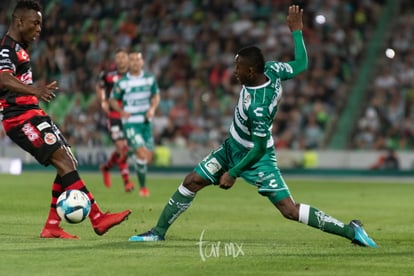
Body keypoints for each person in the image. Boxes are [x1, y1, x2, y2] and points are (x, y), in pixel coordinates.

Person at [128, 5, 377, 248]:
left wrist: (233, 173)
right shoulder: (272, 70)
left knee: (289, 210)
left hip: (256, 158)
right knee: (192, 180)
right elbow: (301, 63)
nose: (234, 72)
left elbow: (257, 150)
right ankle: (157, 233)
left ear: (249, 70)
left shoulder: (258, 106)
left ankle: (350, 230)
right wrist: (297, 32)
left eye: (237, 67)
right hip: (232, 148)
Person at [0, 0, 131, 239]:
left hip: (33, 114)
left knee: (68, 160)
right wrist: (34, 91)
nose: (39, 28)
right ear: (19, 22)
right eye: (35, 23)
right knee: (63, 161)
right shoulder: (6, 48)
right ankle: (98, 218)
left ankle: (52, 225)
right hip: (19, 118)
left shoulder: (20, 47)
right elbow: (3, 79)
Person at [109, 51, 160, 197]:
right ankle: (143, 188)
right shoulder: (123, 82)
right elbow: (112, 100)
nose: (135, 62)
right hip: (130, 123)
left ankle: (128, 152)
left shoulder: (150, 79)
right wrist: (121, 111)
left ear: (142, 62)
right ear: (128, 63)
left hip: (146, 122)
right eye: (132, 60)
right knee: (142, 154)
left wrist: (152, 108)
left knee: (147, 157)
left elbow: (156, 95)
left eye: (138, 59)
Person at [96, 48, 135, 192]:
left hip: (130, 117)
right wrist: (103, 101)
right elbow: (99, 87)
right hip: (114, 116)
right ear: (115, 60)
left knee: (126, 149)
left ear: (128, 59)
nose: (120, 60)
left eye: (123, 57)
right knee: (121, 147)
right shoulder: (108, 76)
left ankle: (106, 168)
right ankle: (127, 183)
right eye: (118, 57)